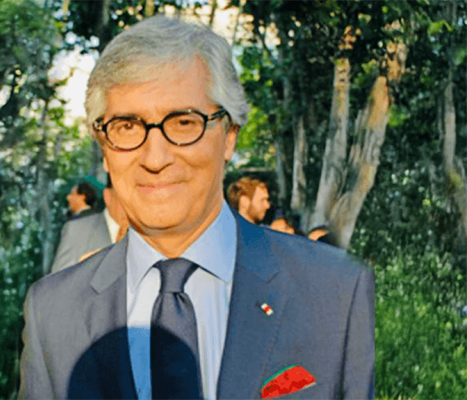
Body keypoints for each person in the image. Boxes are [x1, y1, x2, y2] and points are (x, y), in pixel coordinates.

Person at [19, 15, 374, 400]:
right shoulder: (53, 312)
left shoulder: (334, 291)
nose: (155, 158)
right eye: (127, 127)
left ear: (229, 136)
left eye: (184, 123)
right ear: (104, 148)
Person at [50, 177, 128, 273]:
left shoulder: (76, 225)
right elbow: (60, 275)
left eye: (72, 194)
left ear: (82, 197)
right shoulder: (77, 225)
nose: (68, 197)